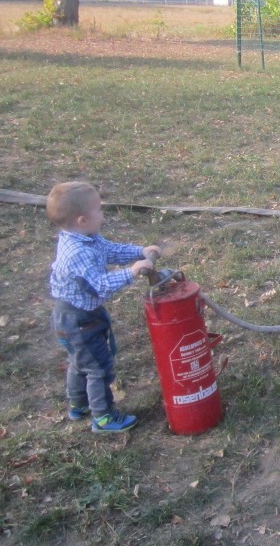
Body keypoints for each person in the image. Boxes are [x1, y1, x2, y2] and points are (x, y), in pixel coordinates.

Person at [47, 181, 161, 433]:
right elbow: (100, 285)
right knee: (98, 367)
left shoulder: (86, 239)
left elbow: (109, 250)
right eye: (99, 209)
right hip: (78, 320)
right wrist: (132, 273)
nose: (103, 213)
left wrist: (139, 252)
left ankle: (79, 405)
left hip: (77, 316)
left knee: (80, 363)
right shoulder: (76, 253)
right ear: (82, 220)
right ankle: (103, 417)